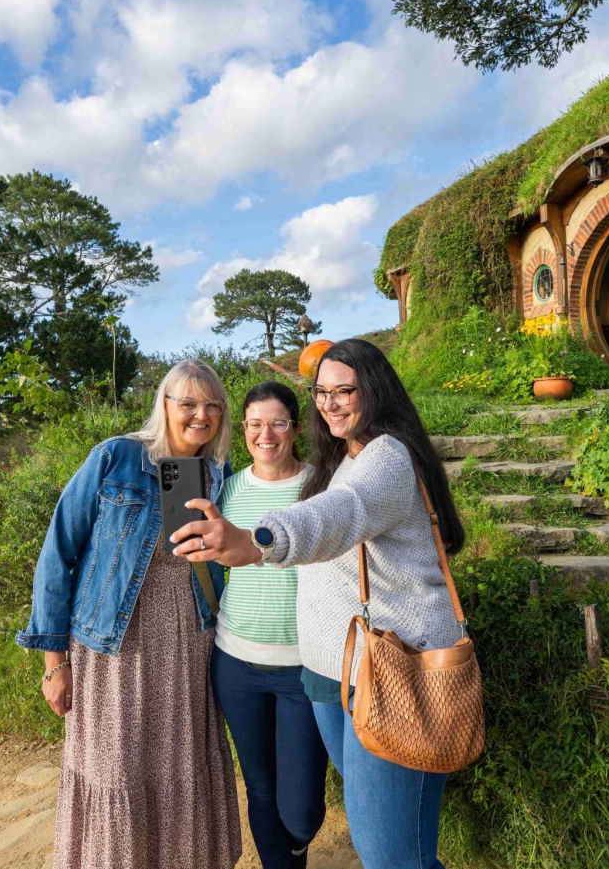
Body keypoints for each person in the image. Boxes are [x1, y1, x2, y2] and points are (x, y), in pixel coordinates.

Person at [170, 338, 466, 869]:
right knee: (394, 844)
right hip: (335, 670)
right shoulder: (345, 458)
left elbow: (341, 512)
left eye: (344, 391)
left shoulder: (386, 456)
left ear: (373, 390)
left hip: (388, 670)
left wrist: (256, 541)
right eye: (322, 393)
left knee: (388, 855)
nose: (330, 404)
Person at [16, 358, 243, 869]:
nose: (201, 414)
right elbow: (58, 553)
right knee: (114, 768)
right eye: (188, 403)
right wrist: (54, 663)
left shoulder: (218, 474)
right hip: (113, 644)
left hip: (189, 643)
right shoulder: (116, 458)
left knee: (180, 767)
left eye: (212, 405)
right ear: (165, 405)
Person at [211, 380, 328, 869]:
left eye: (278, 423)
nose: (266, 434)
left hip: (305, 667)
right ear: (242, 429)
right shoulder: (227, 489)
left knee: (300, 810)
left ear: (296, 428)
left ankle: (297, 844)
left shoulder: (322, 486)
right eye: (255, 424)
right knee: (259, 790)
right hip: (237, 664)